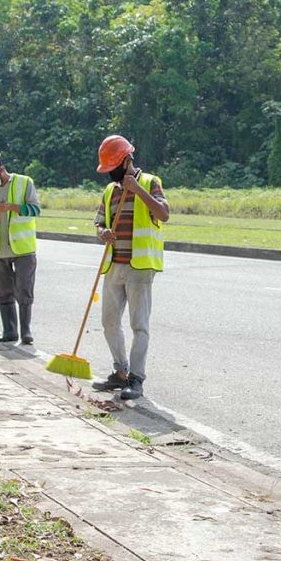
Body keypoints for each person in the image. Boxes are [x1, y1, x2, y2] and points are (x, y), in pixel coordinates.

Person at [90, 135, 170, 401]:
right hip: (114, 265)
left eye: (113, 167)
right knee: (109, 322)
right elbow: (99, 222)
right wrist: (103, 233)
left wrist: (138, 190)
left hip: (139, 266)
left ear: (126, 160)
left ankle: (136, 379)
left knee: (139, 325)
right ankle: (120, 371)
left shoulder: (150, 182)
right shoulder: (110, 190)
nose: (111, 174)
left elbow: (163, 214)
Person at [0, 147, 41, 345]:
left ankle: (26, 331)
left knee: (23, 289)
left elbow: (36, 210)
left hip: (23, 249)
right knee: (2, 290)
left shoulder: (24, 182)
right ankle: (9, 331)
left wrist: (13, 207)